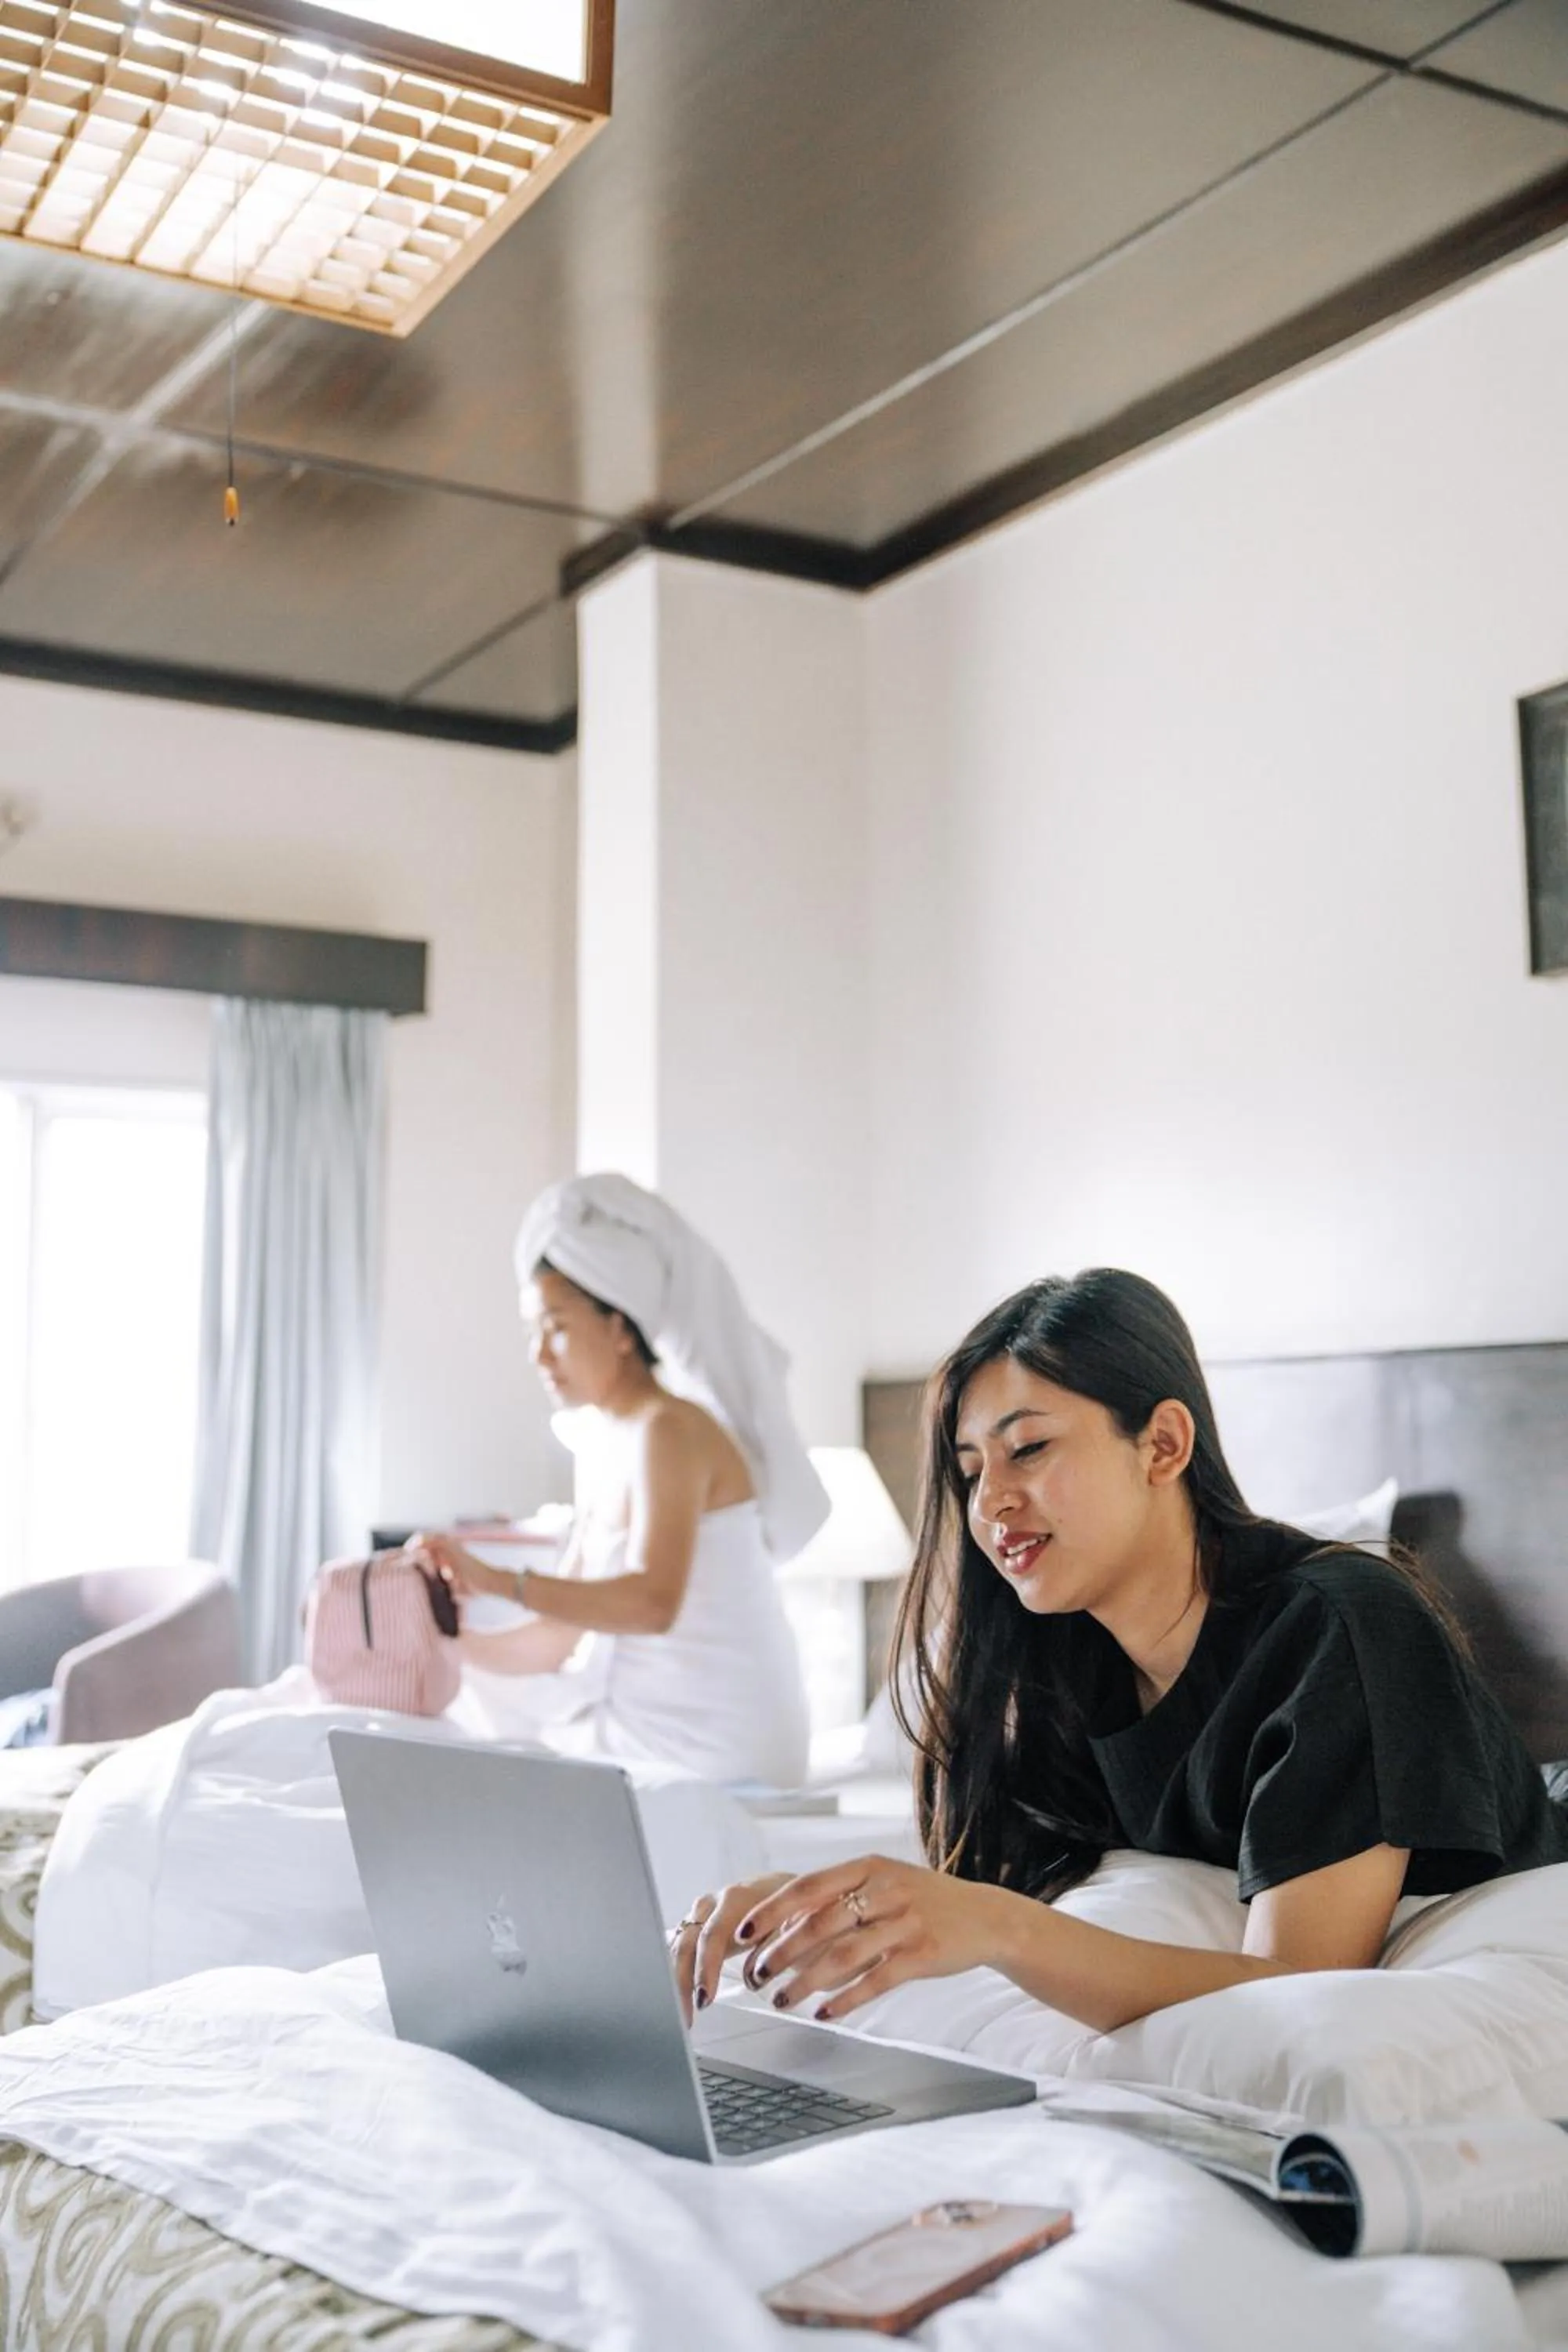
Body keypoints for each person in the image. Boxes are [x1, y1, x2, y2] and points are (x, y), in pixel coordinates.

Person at [673, 1267, 1568, 2025]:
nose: (988, 1506)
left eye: (1027, 1449)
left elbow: (1302, 1991)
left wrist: (999, 1929)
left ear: (1163, 1444)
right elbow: (983, 1883)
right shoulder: (1058, 1658)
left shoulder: (1337, 1625)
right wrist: (808, 1909)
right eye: (971, 1469)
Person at [420, 1174, 826, 1788]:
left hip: (714, 1746)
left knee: (476, 1774)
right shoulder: (612, 1441)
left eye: (555, 1326)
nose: (539, 1355)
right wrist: (443, 1645)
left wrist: (495, 1579)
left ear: (618, 1325)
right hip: (647, 1723)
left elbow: (650, 1603)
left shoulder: (671, 1430)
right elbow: (558, 1639)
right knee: (446, 1720)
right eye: (532, 1331)